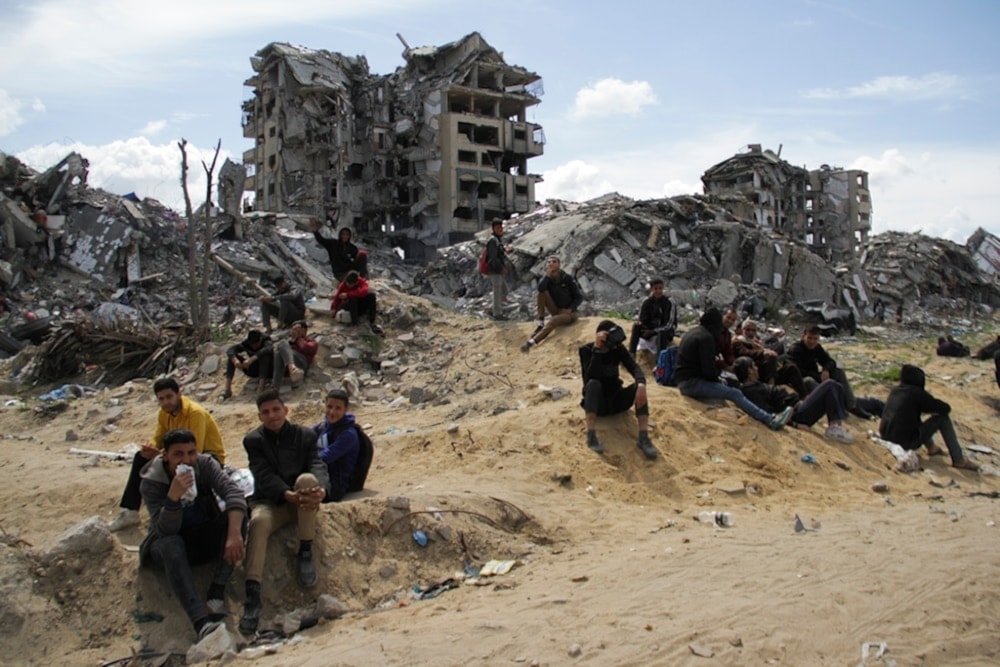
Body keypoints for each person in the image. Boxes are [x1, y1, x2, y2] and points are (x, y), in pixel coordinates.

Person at [139, 428, 246, 643]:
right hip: (170, 544)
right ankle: (200, 622)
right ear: (165, 456)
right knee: (171, 544)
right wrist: (172, 499)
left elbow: (233, 494)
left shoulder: (204, 465)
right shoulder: (152, 482)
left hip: (202, 533)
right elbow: (164, 530)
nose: (186, 460)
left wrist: (234, 534)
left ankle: (216, 591)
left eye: (191, 453)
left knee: (239, 516)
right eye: (178, 454)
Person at [240, 389, 329, 635]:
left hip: (302, 500)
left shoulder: (305, 436)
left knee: (308, 478)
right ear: (259, 416)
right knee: (258, 522)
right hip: (273, 501)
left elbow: (317, 463)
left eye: (276, 409)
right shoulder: (254, 441)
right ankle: (253, 592)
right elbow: (262, 474)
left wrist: (321, 489)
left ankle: (305, 552)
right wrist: (284, 494)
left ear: (285, 410)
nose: (272, 416)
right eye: (266, 412)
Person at [109, 378, 226, 532]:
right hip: (177, 455)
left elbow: (196, 451)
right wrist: (150, 448)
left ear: (179, 394)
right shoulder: (164, 414)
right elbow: (158, 438)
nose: (166, 403)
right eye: (161, 399)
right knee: (140, 457)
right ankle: (130, 510)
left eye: (169, 397)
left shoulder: (195, 414)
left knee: (184, 464)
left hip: (205, 457)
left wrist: (165, 456)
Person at [674, 308, 793, 431]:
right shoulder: (706, 338)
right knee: (734, 393)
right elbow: (708, 371)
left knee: (729, 386)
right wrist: (719, 380)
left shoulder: (694, 332)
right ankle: (770, 420)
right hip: (691, 383)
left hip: (684, 380)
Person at [579, 320, 658, 459]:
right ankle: (591, 434)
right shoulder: (586, 350)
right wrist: (597, 350)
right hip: (599, 404)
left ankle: (643, 437)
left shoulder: (618, 349)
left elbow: (634, 367)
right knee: (593, 384)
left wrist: (640, 383)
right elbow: (590, 377)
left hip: (616, 400)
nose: (615, 347)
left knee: (640, 387)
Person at [879, 364, 979, 471]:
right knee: (942, 419)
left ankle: (932, 447)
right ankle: (959, 460)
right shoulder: (917, 393)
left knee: (912, 416)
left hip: (886, 438)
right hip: (904, 442)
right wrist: (928, 400)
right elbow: (945, 409)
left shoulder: (895, 391)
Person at [732, 357, 854, 442]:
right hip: (797, 413)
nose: (757, 368)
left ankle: (837, 425)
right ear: (749, 371)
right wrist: (795, 424)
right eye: (753, 366)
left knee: (836, 386)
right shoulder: (750, 392)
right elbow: (768, 414)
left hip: (799, 406)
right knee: (830, 385)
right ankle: (833, 429)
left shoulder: (756, 385)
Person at [786, 325, 870, 419]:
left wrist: (826, 370)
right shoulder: (796, 349)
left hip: (816, 376)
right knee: (810, 381)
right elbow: (796, 371)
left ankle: (852, 405)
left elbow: (830, 361)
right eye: (809, 338)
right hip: (800, 381)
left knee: (838, 372)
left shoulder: (816, 348)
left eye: (815, 338)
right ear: (803, 336)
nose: (812, 341)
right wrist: (818, 376)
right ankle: (834, 408)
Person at [521, 256, 583, 352]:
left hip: (569, 313)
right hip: (556, 309)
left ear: (559, 264)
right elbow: (540, 289)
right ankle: (540, 323)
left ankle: (532, 342)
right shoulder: (547, 278)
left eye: (554, 262)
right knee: (541, 294)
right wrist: (547, 276)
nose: (551, 264)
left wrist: (570, 309)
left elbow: (579, 297)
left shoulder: (567, 278)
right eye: (549, 262)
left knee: (553, 320)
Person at [733, 319, 807, 397]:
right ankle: (771, 389)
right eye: (748, 330)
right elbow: (744, 352)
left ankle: (805, 397)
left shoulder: (756, 343)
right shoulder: (737, 341)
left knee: (791, 367)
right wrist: (763, 353)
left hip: (766, 373)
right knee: (771, 357)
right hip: (752, 374)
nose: (750, 332)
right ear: (742, 330)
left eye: (753, 330)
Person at [313, 389, 361, 501]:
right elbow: (305, 438)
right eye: (329, 407)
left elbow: (325, 457)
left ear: (346, 409)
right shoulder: (323, 426)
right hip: (321, 474)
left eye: (338, 408)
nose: (332, 412)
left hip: (335, 485)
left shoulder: (348, 434)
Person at [627, 278, 676, 357]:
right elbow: (641, 319)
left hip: (664, 331)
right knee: (636, 326)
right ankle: (632, 353)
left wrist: (653, 331)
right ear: (651, 289)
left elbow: (669, 324)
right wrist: (644, 327)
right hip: (649, 329)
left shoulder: (669, 302)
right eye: (655, 288)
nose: (658, 291)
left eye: (660, 288)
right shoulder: (647, 302)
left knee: (662, 333)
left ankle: (659, 360)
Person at [223, 329, 274, 399]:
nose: (254, 346)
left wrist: (252, 358)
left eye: (256, 344)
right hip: (254, 370)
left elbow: (268, 349)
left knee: (264, 357)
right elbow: (231, 350)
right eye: (252, 345)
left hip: (268, 370)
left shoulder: (266, 340)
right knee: (231, 359)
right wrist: (235, 360)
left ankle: (261, 387)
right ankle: (227, 389)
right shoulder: (247, 343)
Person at [331, 270, 384, 335]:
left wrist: (348, 294)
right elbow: (337, 298)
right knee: (352, 299)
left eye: (351, 284)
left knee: (371, 296)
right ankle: (354, 325)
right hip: (349, 306)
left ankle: (372, 321)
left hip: (359, 305)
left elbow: (364, 291)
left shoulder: (361, 281)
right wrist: (334, 308)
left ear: (356, 282)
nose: (348, 285)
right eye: (347, 283)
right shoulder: (343, 285)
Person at [485, 218, 509, 320]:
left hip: (498, 270)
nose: (500, 229)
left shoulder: (498, 240)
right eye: (498, 227)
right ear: (494, 229)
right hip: (495, 271)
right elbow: (493, 258)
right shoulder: (492, 240)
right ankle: (497, 314)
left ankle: (493, 309)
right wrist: (500, 269)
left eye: (501, 227)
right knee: (497, 291)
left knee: (503, 291)